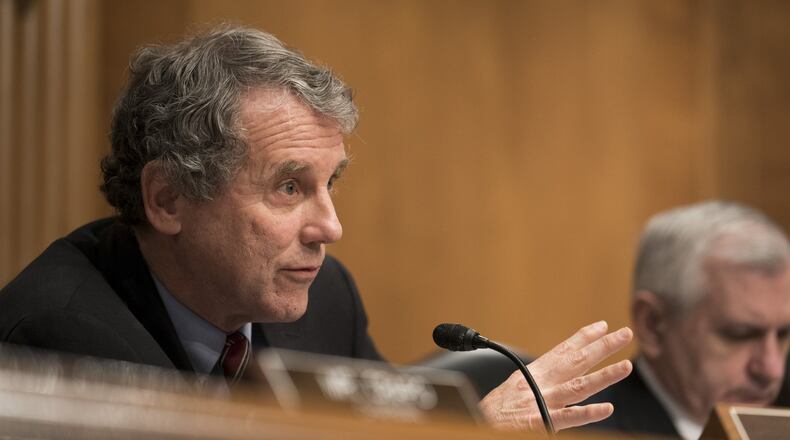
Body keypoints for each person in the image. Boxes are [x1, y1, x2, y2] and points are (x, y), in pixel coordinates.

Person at [0, 25, 632, 432]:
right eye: (289, 187)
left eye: (332, 184)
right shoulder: (57, 339)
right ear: (168, 199)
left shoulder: (324, 299)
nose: (329, 227)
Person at [582, 200, 790, 439]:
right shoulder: (582, 432)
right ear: (653, 325)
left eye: (783, 335)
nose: (772, 369)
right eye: (739, 334)